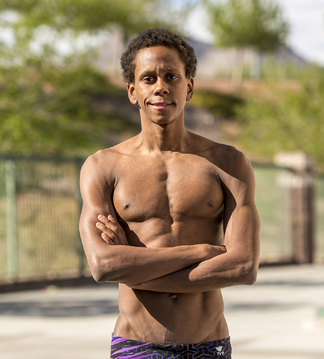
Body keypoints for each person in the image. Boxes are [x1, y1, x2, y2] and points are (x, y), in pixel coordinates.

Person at [78, 28, 260, 359]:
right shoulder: (103, 166)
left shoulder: (228, 163)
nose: (160, 86)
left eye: (171, 76)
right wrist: (203, 251)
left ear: (188, 87)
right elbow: (104, 265)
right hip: (136, 344)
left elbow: (243, 266)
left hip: (209, 345)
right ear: (133, 91)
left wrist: (133, 266)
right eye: (148, 78)